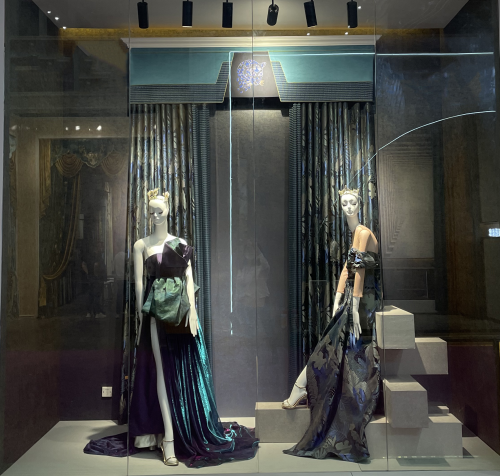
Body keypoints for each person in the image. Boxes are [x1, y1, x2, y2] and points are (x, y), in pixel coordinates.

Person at [84, 189, 258, 467]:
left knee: (181, 370)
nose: (155, 216)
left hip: (181, 313)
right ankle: (168, 440)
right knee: (161, 374)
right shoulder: (141, 245)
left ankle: (183, 430)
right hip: (155, 313)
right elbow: (139, 283)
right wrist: (141, 315)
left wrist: (194, 311)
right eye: (151, 212)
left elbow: (189, 278)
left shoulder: (180, 243)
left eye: (159, 211)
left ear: (168, 211)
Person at [282, 186, 381, 462]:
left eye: (352, 203)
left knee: (335, 345)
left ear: (359, 205)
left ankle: (300, 386)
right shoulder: (355, 233)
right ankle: (302, 386)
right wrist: (338, 298)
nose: (348, 207)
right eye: (344, 203)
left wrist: (355, 306)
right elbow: (348, 268)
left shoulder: (362, 232)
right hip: (353, 298)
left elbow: (360, 270)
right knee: (331, 344)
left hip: (365, 300)